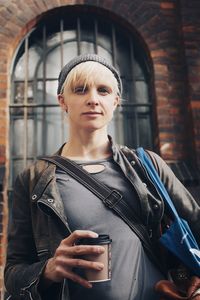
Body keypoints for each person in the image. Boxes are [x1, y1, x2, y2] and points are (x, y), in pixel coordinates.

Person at [4, 54, 200, 300]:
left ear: (116, 101)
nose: (93, 99)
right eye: (80, 90)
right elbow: (13, 274)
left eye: (103, 91)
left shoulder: (147, 166)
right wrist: (49, 270)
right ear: (62, 101)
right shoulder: (35, 180)